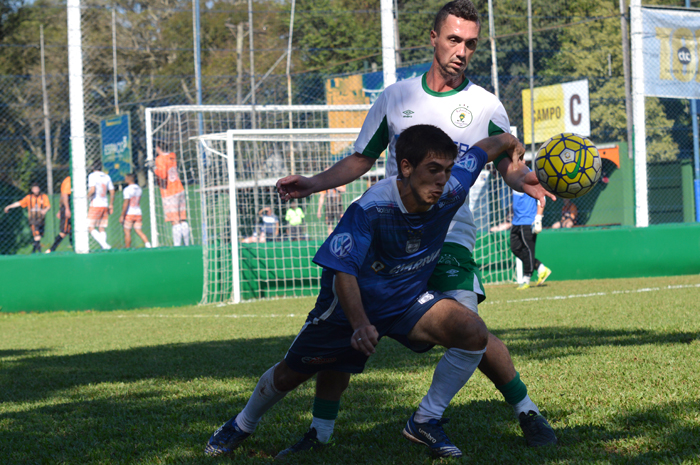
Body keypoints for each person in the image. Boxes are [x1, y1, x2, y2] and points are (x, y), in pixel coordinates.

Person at [276, 0, 558, 456]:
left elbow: (508, 162)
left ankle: (468, 414)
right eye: (453, 40)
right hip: (388, 238)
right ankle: (319, 433)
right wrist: (312, 183)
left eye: (470, 43)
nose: (461, 51)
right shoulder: (395, 97)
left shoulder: (486, 104)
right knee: (345, 334)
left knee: (468, 323)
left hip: (449, 234)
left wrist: (519, 179)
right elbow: (361, 159)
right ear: (432, 38)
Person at [205, 125, 512, 459]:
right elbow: (342, 269)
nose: (442, 180)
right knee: (295, 373)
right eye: (433, 170)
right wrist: (361, 323)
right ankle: (243, 424)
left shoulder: (452, 189)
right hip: (348, 307)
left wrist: (510, 141)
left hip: (408, 300)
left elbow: (482, 151)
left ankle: (425, 419)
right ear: (406, 168)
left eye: (447, 171)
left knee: (472, 331)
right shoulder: (371, 208)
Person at [510, 183, 551, 290]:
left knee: (527, 250)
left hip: (528, 220)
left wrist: (538, 218)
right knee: (515, 248)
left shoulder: (530, 177)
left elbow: (541, 198)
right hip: (516, 221)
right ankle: (541, 267)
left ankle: (526, 279)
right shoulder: (513, 177)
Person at [153, 145, 190, 246]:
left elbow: (163, 175)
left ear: (158, 147)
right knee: (182, 219)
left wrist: (154, 169)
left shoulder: (160, 159)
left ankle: (177, 245)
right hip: (179, 188)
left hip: (169, 192)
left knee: (174, 221)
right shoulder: (172, 155)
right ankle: (187, 244)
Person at [4, 183, 51, 253]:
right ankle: (40, 252)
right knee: (36, 235)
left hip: (41, 219)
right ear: (32, 190)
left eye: (37, 188)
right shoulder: (29, 197)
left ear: (39, 189)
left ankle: (33, 251)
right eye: (34, 189)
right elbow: (19, 203)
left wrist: (45, 210)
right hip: (32, 219)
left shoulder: (43, 196)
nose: (36, 190)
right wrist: (9, 206)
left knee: (38, 237)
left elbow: (48, 206)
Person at [87, 160, 114, 250]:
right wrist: (111, 204)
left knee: (90, 227)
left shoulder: (92, 176)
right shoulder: (106, 176)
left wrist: (85, 197)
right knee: (101, 227)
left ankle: (105, 245)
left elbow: (92, 189)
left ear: (93, 168)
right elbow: (112, 191)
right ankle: (103, 247)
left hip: (96, 204)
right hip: (104, 203)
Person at [120, 173, 152, 249]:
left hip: (129, 213)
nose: (125, 179)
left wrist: (122, 215)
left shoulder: (127, 190)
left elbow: (126, 203)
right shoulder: (139, 189)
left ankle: (128, 248)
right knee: (139, 230)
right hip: (138, 212)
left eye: (126, 178)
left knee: (127, 232)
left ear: (129, 179)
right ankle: (148, 244)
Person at [47, 176, 72, 253]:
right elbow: (64, 195)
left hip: (72, 208)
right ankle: (51, 249)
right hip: (68, 208)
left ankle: (75, 248)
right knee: (64, 231)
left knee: (72, 230)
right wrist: (65, 209)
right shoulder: (68, 180)